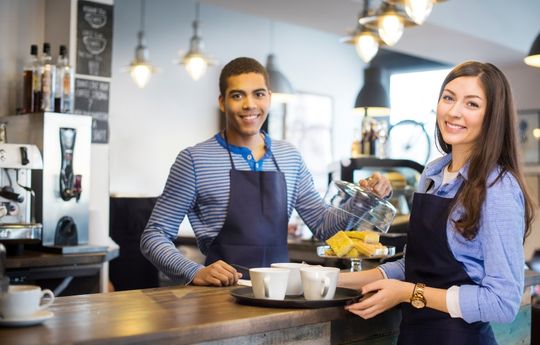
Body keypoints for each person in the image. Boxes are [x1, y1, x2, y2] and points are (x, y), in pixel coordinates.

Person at [140, 57, 392, 287]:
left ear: (269, 98)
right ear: (222, 102)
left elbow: (325, 228)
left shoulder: (289, 157)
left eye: (258, 94)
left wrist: (364, 198)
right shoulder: (194, 160)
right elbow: (154, 236)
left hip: (281, 293)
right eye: (237, 95)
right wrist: (194, 271)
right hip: (219, 295)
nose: (249, 105)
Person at [339, 61, 535, 345]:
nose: (454, 112)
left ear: (492, 116)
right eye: (449, 97)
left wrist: (407, 293)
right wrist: (333, 280)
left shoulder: (498, 187)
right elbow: (416, 266)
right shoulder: (432, 174)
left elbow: (502, 302)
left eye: (472, 104)